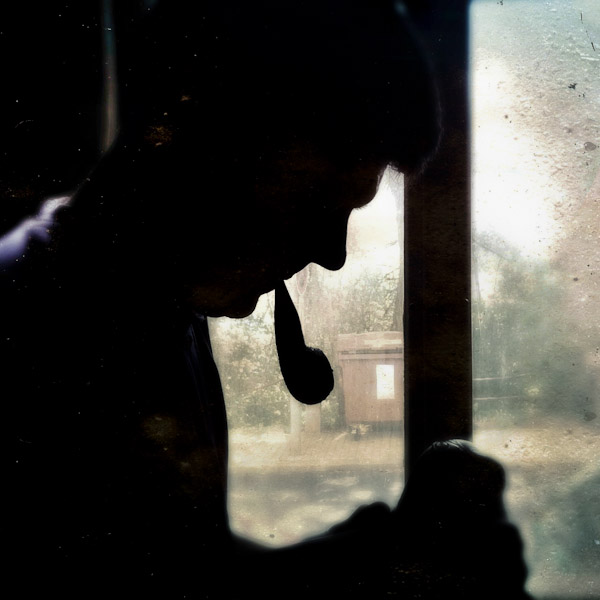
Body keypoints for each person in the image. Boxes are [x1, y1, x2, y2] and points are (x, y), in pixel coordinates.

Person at [1, 2, 530, 598]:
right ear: (198, 140)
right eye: (316, 201)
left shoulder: (153, 316)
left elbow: (166, 565)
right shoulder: (31, 339)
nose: (332, 255)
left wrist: (351, 560)